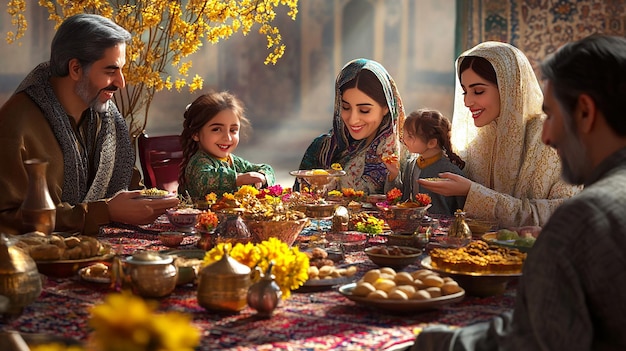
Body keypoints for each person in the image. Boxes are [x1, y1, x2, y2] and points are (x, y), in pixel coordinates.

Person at [413, 34, 626, 351]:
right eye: (465, 92)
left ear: (585, 112)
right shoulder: (476, 145)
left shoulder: (586, 216)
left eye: (551, 116)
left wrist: (426, 343)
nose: (548, 135)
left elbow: (533, 340)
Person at [0, 14, 178, 236]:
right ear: (75, 69)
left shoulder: (105, 117)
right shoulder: (16, 124)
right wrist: (104, 212)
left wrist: (149, 202)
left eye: (121, 70)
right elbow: (8, 219)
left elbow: (127, 187)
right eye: (110, 71)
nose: (121, 83)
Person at [418, 41, 580, 227]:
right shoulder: (475, 143)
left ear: (508, 88)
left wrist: (473, 192)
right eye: (465, 92)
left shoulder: (551, 137)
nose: (468, 102)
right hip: (476, 253)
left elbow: (567, 215)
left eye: (478, 91)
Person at [296, 58, 407, 195]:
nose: (353, 119)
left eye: (364, 110)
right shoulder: (321, 149)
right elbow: (297, 202)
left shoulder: (404, 156)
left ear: (386, 107)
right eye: (346, 107)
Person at [178, 91, 276, 198]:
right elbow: (205, 180)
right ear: (195, 133)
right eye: (216, 129)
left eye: (233, 130)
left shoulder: (233, 161)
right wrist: (239, 179)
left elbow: (265, 168)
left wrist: (262, 176)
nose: (227, 138)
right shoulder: (198, 163)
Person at [384, 109, 466, 216]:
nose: (404, 140)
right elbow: (399, 200)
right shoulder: (411, 164)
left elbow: (464, 208)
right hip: (413, 226)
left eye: (410, 136)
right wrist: (394, 174)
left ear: (431, 143)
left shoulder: (450, 171)